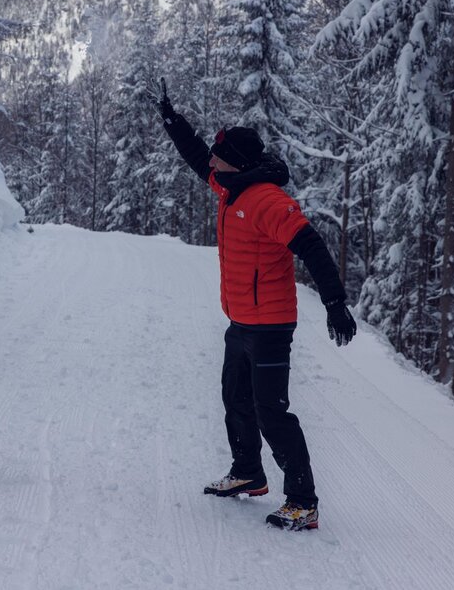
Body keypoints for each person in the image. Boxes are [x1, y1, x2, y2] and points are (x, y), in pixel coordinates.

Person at [152, 80, 357, 531]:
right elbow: (195, 154)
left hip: (270, 326)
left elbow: (313, 246)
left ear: (236, 163)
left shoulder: (266, 200)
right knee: (235, 399)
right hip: (240, 321)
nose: (211, 161)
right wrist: (173, 120)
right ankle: (248, 472)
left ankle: (303, 501)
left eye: (218, 156)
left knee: (271, 411)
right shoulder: (230, 186)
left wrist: (335, 303)